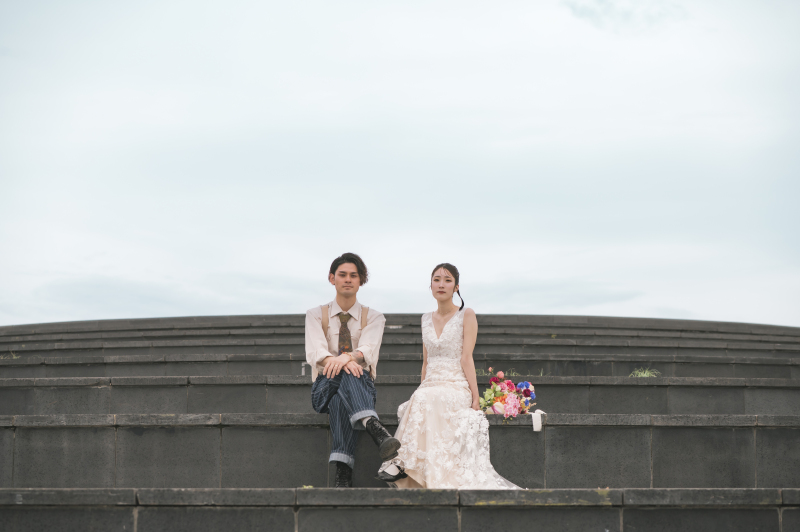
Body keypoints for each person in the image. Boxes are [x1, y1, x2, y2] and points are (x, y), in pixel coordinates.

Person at [377, 263, 520, 489]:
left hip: (456, 385)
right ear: (430, 285)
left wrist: (475, 397)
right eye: (436, 279)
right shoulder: (425, 319)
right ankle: (408, 466)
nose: (441, 284)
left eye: (447, 280)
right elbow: (426, 362)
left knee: (425, 399)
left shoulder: (466, 314)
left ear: (456, 287)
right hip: (431, 384)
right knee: (420, 398)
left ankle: (401, 464)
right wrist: (421, 387)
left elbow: (466, 358)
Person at [305, 252, 398, 488]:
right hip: (323, 388)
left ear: (361, 280)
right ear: (332, 278)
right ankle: (373, 426)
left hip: (360, 388)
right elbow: (316, 353)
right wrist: (346, 360)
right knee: (346, 370)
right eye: (342, 275)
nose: (348, 279)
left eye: (353, 275)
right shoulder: (315, 315)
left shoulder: (374, 317)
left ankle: (343, 472)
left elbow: (368, 350)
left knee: (341, 398)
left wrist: (347, 358)